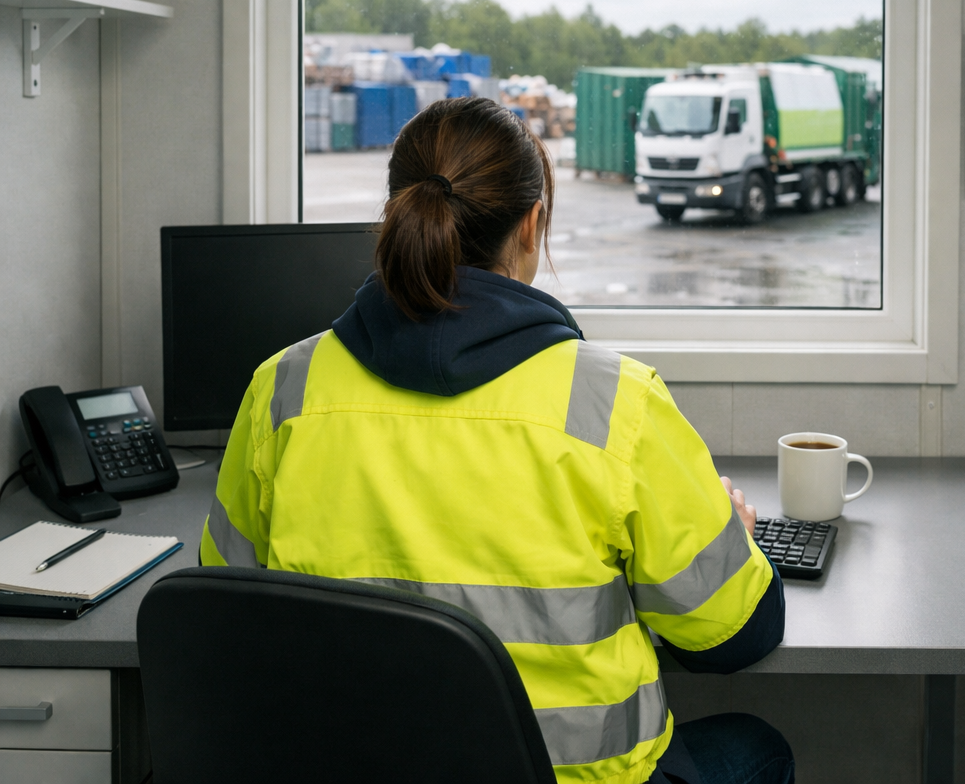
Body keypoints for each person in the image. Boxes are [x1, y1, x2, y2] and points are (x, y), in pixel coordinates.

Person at [200, 96, 794, 784]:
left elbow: (227, 612)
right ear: (532, 223)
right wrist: (737, 540)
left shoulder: (281, 392)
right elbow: (732, 637)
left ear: (395, 215)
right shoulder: (614, 404)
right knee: (760, 747)